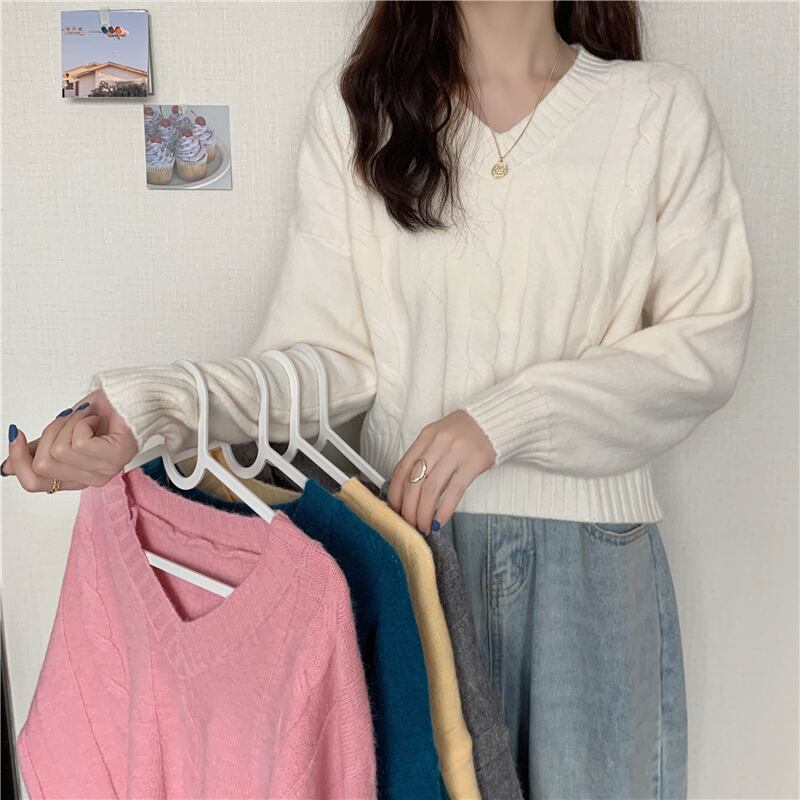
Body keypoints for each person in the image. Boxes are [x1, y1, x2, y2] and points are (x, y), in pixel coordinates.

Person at [3, 2, 755, 797]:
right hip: (411, 559)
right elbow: (324, 361)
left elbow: (704, 344)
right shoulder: (360, 109)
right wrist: (150, 410)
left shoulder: (657, 109)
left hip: (593, 569)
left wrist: (505, 419)